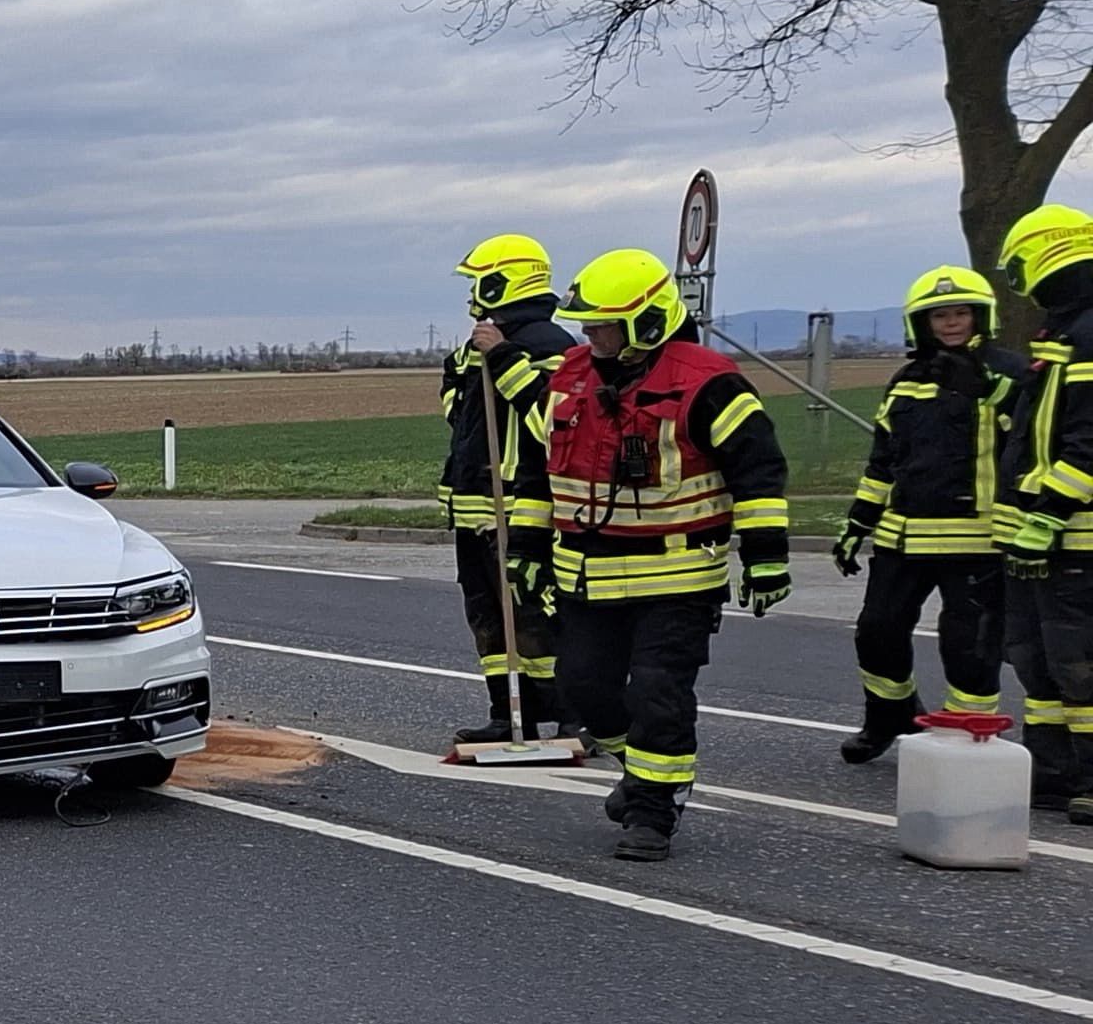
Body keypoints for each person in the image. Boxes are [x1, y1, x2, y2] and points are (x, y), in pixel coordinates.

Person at [542, 249, 789, 863]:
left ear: (647, 323)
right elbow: (536, 475)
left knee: (658, 693)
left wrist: (766, 557)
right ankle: (644, 772)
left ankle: (653, 812)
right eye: (587, 325)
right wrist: (524, 548)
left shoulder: (709, 382)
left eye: (603, 326)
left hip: (677, 576)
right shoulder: (570, 377)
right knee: (582, 687)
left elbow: (759, 472)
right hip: (588, 574)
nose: (591, 337)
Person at [834, 265, 1023, 761]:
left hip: (977, 541)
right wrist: (857, 524)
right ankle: (889, 716)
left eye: (960, 313)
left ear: (981, 316)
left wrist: (989, 391)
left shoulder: (1009, 375)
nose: (951, 323)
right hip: (902, 539)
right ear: (922, 323)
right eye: (940, 315)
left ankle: (969, 740)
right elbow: (883, 462)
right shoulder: (906, 380)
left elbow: (1027, 447)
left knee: (969, 644)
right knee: (876, 632)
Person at [438, 233, 575, 743]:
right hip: (475, 509)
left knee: (536, 618)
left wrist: (504, 361)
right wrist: (461, 373)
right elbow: (460, 416)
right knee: (489, 621)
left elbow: (551, 421)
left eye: (479, 281)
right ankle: (508, 714)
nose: (472, 293)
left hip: (522, 508)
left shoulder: (551, 347)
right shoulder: (477, 347)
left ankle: (572, 715)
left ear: (505, 282)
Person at [997, 203, 1093, 823]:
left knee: (1079, 665)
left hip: (1074, 538)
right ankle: (1053, 772)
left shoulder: (1087, 336)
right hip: (1040, 540)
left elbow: (1088, 441)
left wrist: (1050, 513)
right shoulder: (1065, 333)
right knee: (1036, 663)